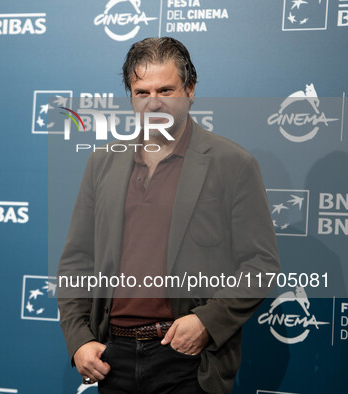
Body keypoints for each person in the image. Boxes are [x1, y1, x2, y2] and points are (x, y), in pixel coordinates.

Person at [57, 37, 280, 394]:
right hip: (112, 359)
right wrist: (78, 339)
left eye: (165, 90)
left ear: (190, 90)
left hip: (191, 360)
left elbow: (261, 262)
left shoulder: (232, 164)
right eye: (142, 92)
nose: (154, 103)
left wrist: (207, 322)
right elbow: (76, 261)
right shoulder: (102, 162)